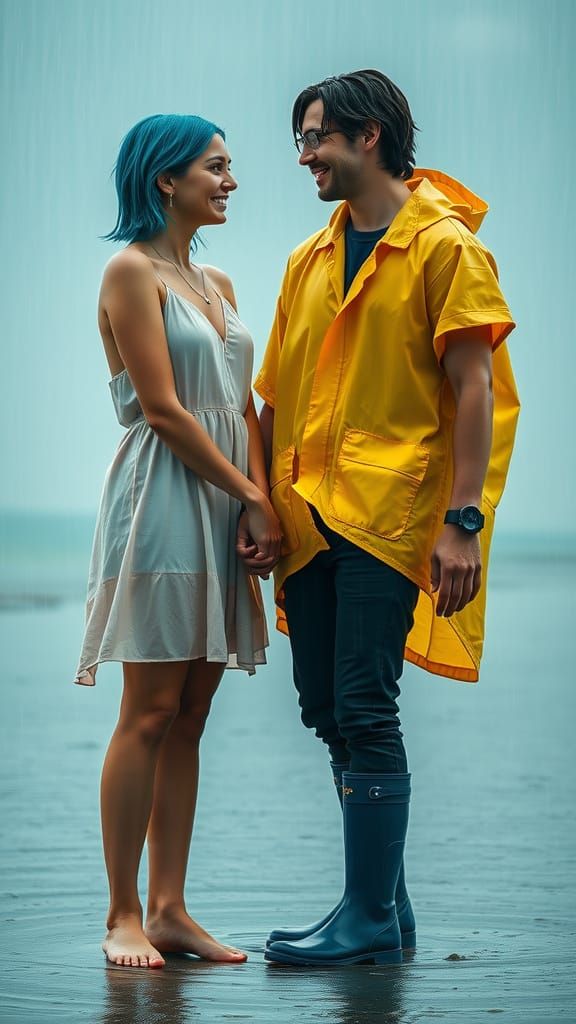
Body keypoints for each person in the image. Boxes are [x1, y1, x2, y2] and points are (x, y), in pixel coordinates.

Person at [256, 70, 520, 966]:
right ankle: (385, 914)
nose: (305, 156)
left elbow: (475, 389)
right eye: (301, 139)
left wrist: (463, 520)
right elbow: (275, 398)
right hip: (306, 517)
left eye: (316, 137)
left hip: (390, 512)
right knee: (325, 705)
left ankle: (366, 917)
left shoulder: (444, 247)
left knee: (366, 704)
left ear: (369, 136)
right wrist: (257, 500)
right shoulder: (309, 259)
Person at [73, 113, 281, 969]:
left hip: (225, 501)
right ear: (166, 178)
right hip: (163, 497)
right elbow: (162, 409)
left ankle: (169, 909)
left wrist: (260, 501)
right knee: (149, 710)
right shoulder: (130, 271)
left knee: (192, 715)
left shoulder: (216, 280)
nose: (230, 182)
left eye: (229, 168)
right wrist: (250, 495)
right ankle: (122, 913)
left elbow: (241, 406)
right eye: (215, 167)